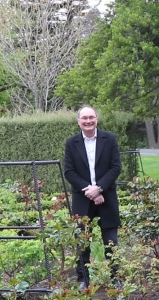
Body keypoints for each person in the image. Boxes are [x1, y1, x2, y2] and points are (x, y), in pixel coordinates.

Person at [63, 106, 122, 290]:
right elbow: (69, 172)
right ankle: (83, 279)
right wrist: (89, 191)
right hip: (82, 198)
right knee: (82, 241)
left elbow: (115, 167)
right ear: (78, 121)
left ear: (96, 119)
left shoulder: (109, 139)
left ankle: (115, 278)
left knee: (110, 240)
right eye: (84, 118)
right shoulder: (71, 143)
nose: (88, 121)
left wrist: (99, 189)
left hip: (107, 197)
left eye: (91, 117)